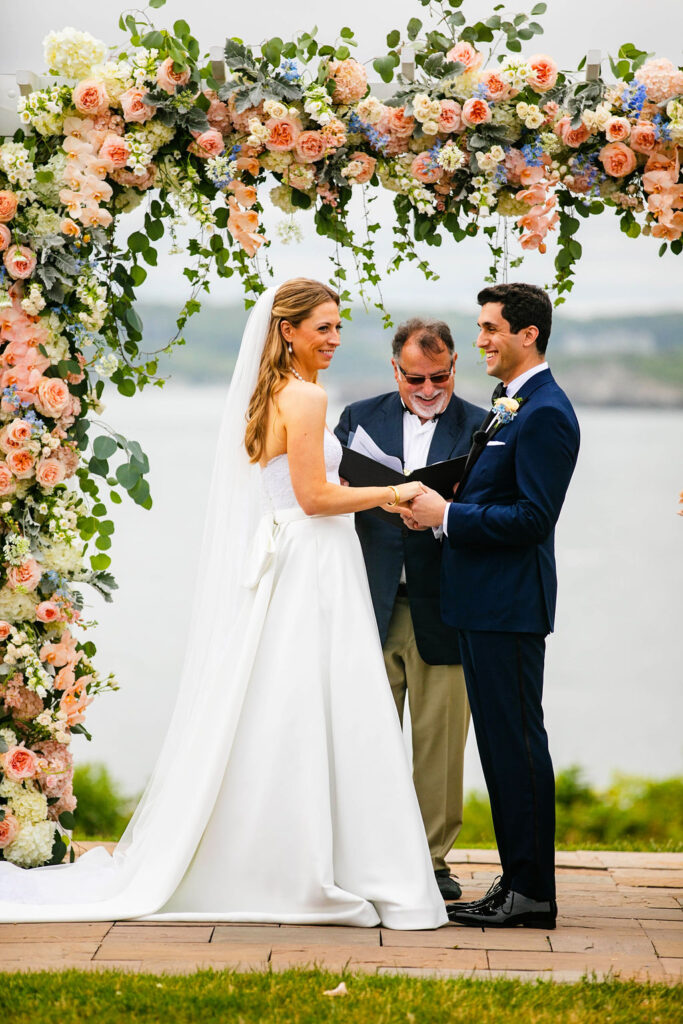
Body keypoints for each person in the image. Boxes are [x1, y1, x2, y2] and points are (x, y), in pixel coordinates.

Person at [0, 279, 447, 930]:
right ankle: (319, 862)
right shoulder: (306, 395)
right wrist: (393, 491)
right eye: (323, 327)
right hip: (313, 558)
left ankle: (277, 854)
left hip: (288, 557)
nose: (334, 339)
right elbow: (314, 498)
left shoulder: (266, 394)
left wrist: (351, 489)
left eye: (338, 327)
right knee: (317, 705)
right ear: (287, 330)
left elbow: (291, 487)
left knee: (284, 703)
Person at [405, 283, 580, 929]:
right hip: (479, 605)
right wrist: (434, 504)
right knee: (502, 749)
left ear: (526, 334)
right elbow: (492, 490)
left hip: (508, 606)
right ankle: (515, 882)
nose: (477, 341)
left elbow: (533, 517)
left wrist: (448, 514)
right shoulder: (514, 406)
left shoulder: (545, 413)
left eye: (488, 329)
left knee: (516, 747)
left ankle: (531, 893)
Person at [335, 318, 484, 900]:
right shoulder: (358, 418)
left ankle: (431, 861)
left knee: (440, 741)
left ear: (454, 367)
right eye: (415, 377)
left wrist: (441, 509)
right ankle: (364, 854)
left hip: (445, 603)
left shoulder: (480, 425)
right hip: (369, 599)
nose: (427, 389)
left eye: (439, 376)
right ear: (394, 369)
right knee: (363, 734)